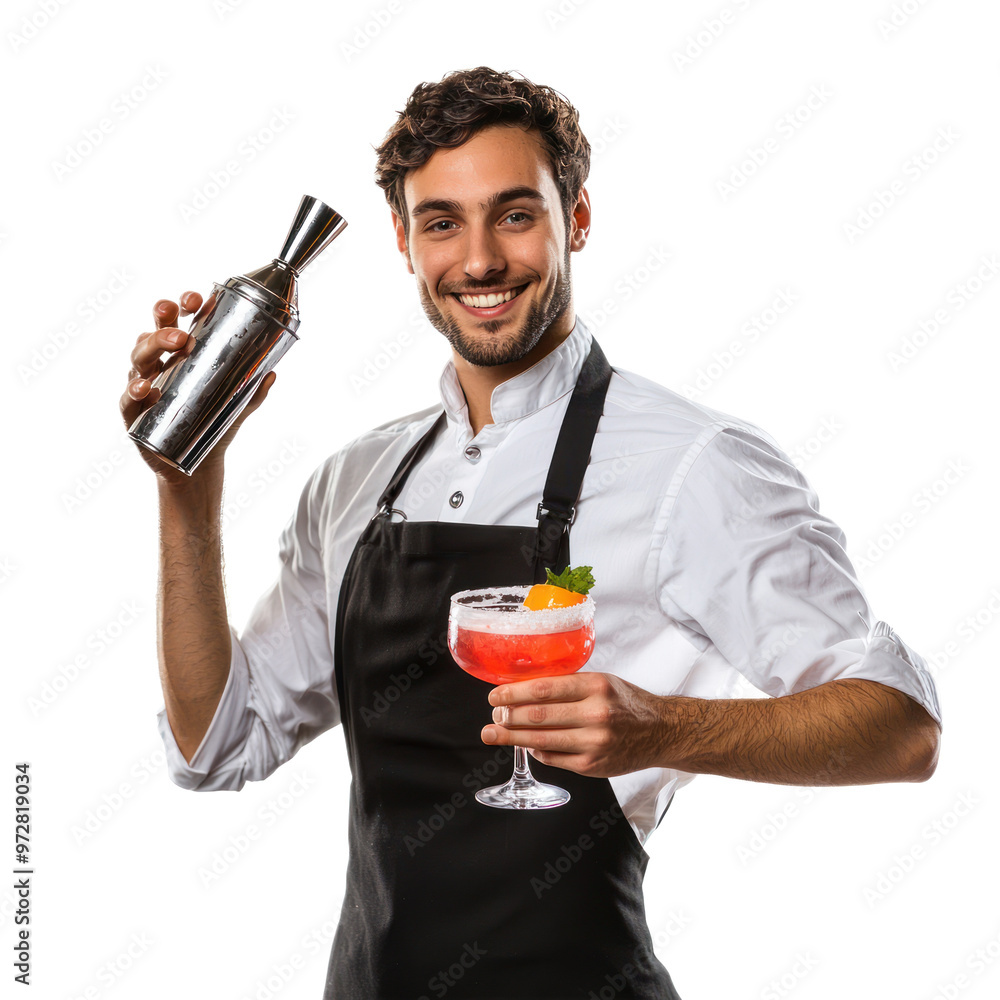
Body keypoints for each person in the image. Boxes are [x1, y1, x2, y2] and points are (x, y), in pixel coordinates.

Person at [121, 66, 942, 1000]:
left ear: (576, 219)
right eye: (442, 222)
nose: (478, 260)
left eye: (515, 214)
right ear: (403, 240)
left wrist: (666, 728)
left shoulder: (692, 464)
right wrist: (187, 487)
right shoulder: (354, 484)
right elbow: (218, 744)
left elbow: (901, 727)